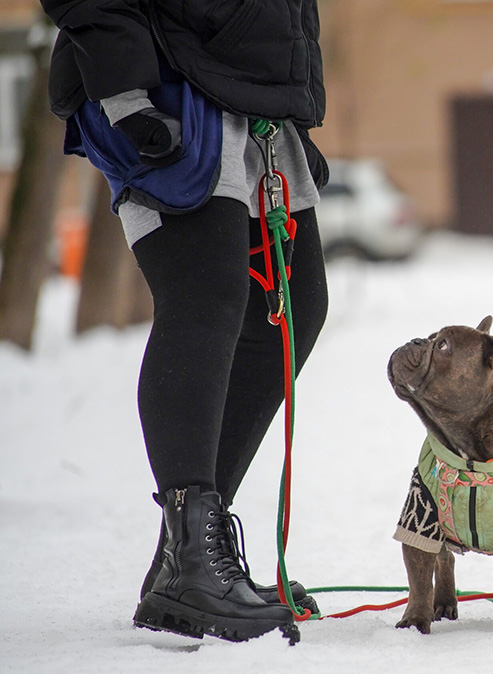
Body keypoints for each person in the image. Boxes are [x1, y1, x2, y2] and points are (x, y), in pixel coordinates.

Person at [41, 0, 329, 642]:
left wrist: (293, 101)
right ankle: (190, 560)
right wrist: (124, 94)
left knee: (294, 310)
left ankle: (190, 553)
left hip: (253, 94)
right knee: (206, 298)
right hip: (169, 85)